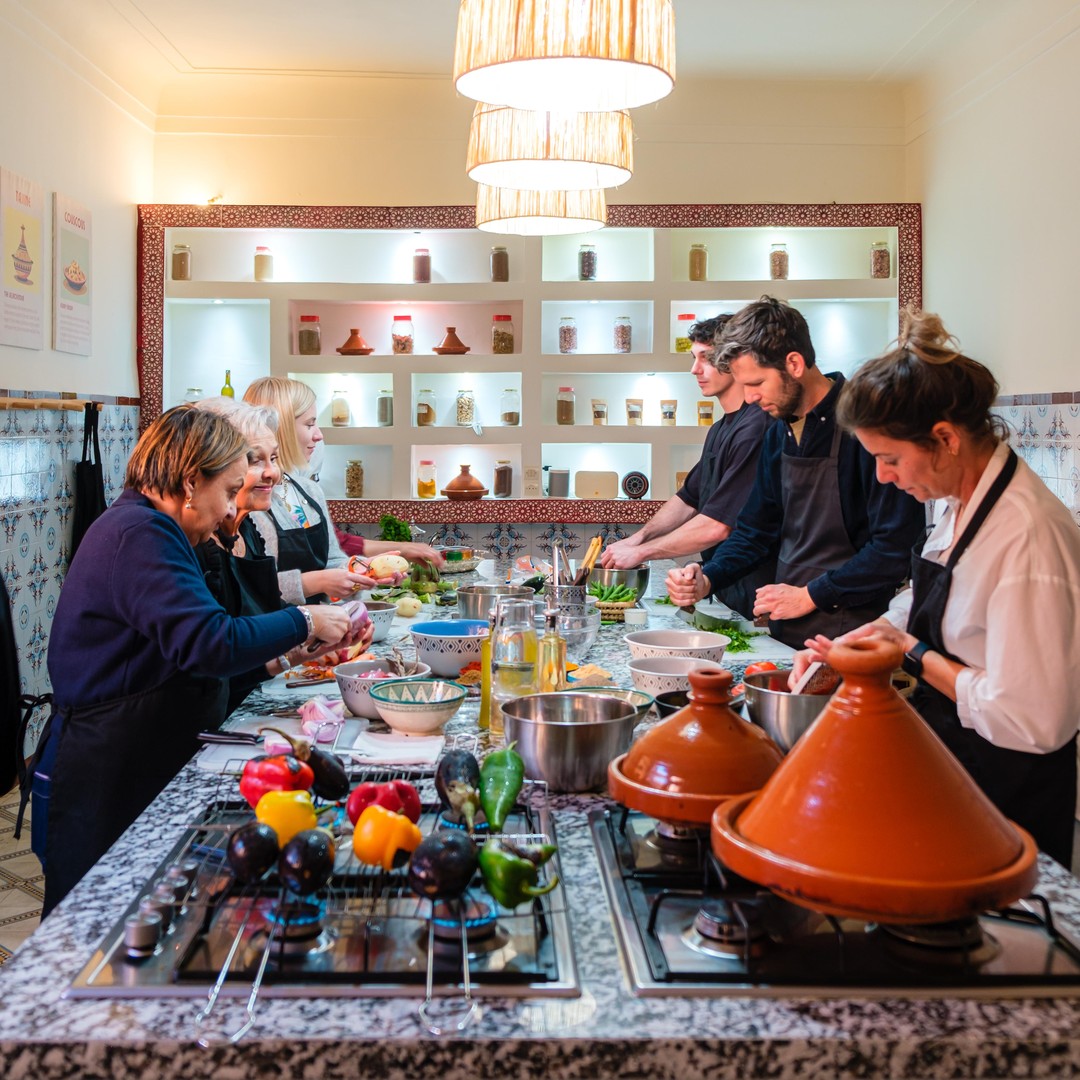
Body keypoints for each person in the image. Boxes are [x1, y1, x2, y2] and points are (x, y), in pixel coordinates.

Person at [38, 406, 359, 915]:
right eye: (229, 491)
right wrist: (304, 621)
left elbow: (185, 654)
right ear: (191, 483)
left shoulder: (158, 529)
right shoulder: (140, 534)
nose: (232, 507)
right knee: (98, 923)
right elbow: (210, 642)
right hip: (111, 767)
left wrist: (279, 658)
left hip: (145, 747)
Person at [790, 310, 1080, 865]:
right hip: (957, 774)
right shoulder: (959, 504)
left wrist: (912, 653)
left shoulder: (1028, 537)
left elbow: (1030, 721)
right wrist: (865, 637)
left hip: (1007, 806)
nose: (882, 477)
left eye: (889, 458)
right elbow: (920, 599)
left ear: (945, 438)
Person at [665, 296, 925, 647]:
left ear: (794, 363)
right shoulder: (779, 430)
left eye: (757, 383)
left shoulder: (865, 427)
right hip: (787, 629)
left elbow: (893, 550)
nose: (751, 398)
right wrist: (708, 577)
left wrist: (811, 596)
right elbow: (756, 530)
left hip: (854, 633)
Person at [192, 397, 374, 713]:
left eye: (273, 458)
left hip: (238, 706)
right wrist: (307, 619)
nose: (272, 473)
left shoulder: (250, 531)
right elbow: (214, 652)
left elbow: (242, 664)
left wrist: (309, 650)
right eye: (254, 460)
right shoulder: (190, 544)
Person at [601, 315, 775, 619]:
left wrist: (642, 552)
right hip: (729, 589)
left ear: (734, 360)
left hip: (762, 593)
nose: (695, 369)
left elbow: (717, 525)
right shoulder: (721, 428)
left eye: (705, 359)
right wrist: (637, 538)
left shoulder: (757, 427)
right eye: (694, 358)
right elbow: (688, 498)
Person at [243, 377, 444, 605]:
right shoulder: (249, 503)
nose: (318, 435)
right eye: (309, 425)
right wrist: (318, 582)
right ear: (283, 429)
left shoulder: (308, 491)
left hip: (324, 629)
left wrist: (366, 570)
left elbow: (333, 559)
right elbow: (250, 588)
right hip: (279, 631)